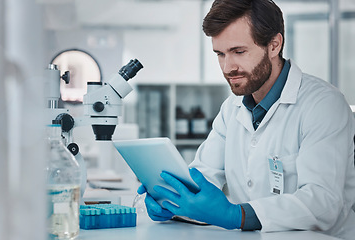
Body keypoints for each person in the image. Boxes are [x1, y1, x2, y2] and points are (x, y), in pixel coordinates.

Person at [137, 0, 355, 239]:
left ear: (274, 45)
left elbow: (322, 203)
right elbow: (204, 176)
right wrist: (172, 200)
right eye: (220, 54)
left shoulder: (323, 104)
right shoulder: (232, 108)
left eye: (239, 52)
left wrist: (236, 215)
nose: (228, 67)